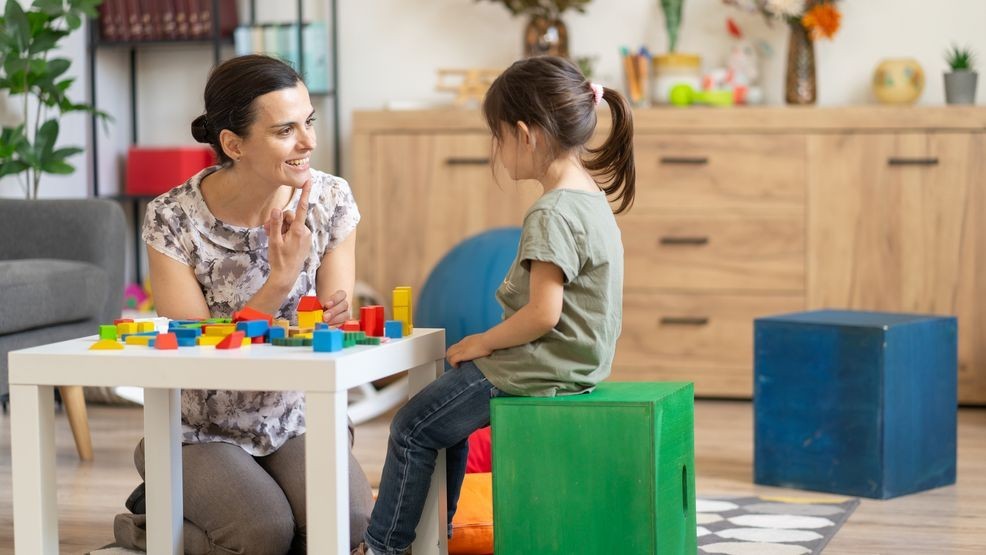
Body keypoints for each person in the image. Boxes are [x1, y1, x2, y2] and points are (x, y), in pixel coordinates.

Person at [355, 55, 635, 555]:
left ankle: (383, 546)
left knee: (411, 426)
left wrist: (480, 343)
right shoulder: (591, 197)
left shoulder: (551, 211)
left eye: (497, 136)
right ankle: (437, 534)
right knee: (445, 423)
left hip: (537, 366)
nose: (497, 150)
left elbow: (543, 313)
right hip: (579, 363)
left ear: (525, 135)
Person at [112, 54, 373, 554]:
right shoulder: (171, 219)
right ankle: (147, 525)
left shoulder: (330, 200)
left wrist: (337, 318)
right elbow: (197, 356)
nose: (309, 142)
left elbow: (331, 318)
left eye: (309, 122)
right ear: (233, 144)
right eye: (285, 131)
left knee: (346, 524)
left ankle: (189, 504)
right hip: (200, 429)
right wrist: (280, 280)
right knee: (262, 534)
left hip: (295, 417)